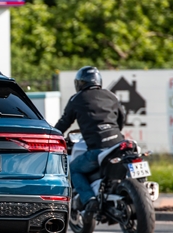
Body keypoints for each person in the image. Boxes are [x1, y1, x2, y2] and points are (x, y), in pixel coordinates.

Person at [54, 66, 126, 216]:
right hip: (119, 144)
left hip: (98, 148)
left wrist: (52, 135)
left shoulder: (77, 99)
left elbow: (64, 122)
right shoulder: (111, 95)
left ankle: (90, 199)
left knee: (74, 169)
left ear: (80, 83)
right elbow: (122, 116)